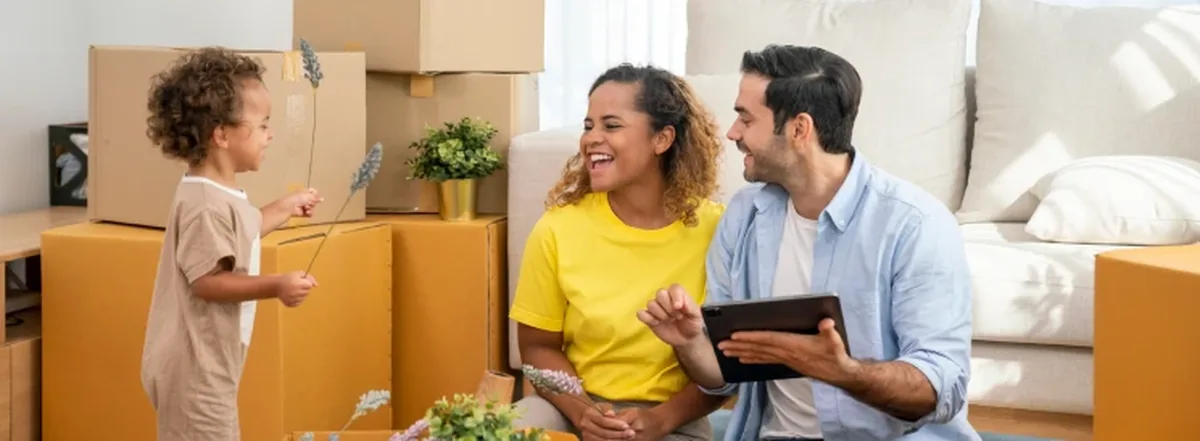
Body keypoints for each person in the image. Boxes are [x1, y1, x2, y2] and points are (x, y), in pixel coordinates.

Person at [637, 45, 979, 441]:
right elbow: (724, 377)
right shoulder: (745, 216)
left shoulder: (915, 225)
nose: (732, 133)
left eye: (745, 118)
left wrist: (844, 372)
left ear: (800, 129)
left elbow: (942, 388)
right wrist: (691, 342)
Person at [510, 63, 728, 441]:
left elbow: (728, 365)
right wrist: (584, 414)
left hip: (673, 418)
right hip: (569, 405)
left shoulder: (718, 231)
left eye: (611, 126)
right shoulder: (558, 228)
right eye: (588, 125)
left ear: (662, 139)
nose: (592, 138)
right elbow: (536, 347)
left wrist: (661, 419)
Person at [140, 47, 325, 441]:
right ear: (221, 134)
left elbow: (247, 227)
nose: (270, 134)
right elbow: (207, 281)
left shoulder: (220, 192)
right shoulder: (204, 205)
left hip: (212, 361)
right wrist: (276, 286)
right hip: (194, 370)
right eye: (261, 125)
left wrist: (285, 208)